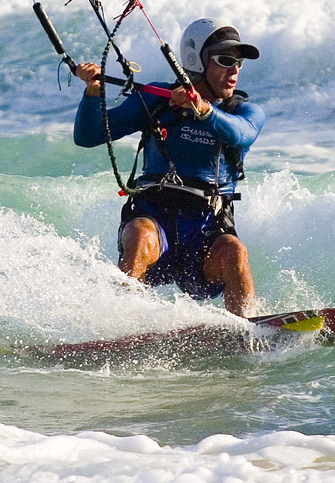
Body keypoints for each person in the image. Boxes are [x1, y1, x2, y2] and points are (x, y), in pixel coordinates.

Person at [73, 18, 265, 316]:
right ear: (197, 61)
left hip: (205, 233)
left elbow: (241, 134)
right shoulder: (156, 100)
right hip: (154, 222)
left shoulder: (244, 111)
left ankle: (248, 329)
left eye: (239, 63)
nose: (234, 70)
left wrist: (203, 109)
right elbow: (88, 136)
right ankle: (119, 325)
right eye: (225, 60)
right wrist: (92, 94)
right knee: (138, 235)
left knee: (235, 251)